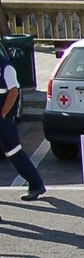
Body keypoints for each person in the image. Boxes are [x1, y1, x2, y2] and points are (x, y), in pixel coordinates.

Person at [0, 41, 44, 201]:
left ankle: (36, 184)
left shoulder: (5, 67)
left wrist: (3, 115)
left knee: (14, 152)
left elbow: (13, 92)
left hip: (3, 122)